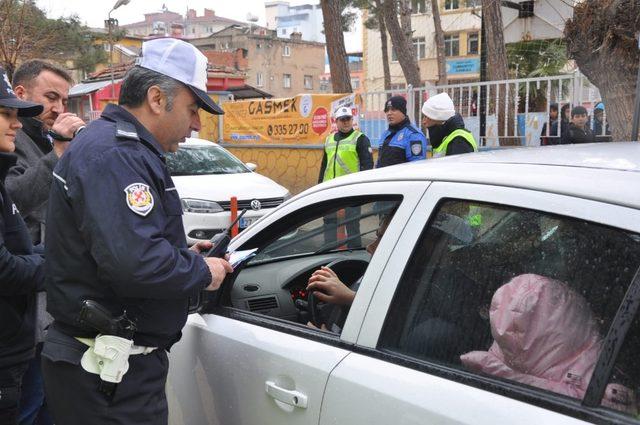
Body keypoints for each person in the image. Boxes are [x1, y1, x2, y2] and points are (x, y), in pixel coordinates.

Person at [40, 38, 233, 425]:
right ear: (157, 98)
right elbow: (136, 264)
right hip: (105, 376)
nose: (196, 124)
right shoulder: (117, 155)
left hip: (111, 370)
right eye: (193, 109)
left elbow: (122, 244)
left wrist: (180, 254)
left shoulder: (120, 150)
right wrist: (203, 272)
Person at [4, 60, 85, 425]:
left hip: (52, 308)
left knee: (52, 405)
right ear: (21, 94)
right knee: (29, 404)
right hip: (24, 311)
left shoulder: (42, 139)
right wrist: (57, 156)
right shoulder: (14, 141)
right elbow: (13, 198)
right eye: (51, 97)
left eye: (64, 101)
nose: (59, 108)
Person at [0, 66, 46, 425]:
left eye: (17, 115)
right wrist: (68, 263)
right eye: (5, 114)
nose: (15, 124)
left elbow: (23, 254)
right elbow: (6, 269)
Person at [318, 106, 373, 248]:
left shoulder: (360, 139)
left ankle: (354, 255)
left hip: (351, 190)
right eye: (342, 119)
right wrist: (319, 187)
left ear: (352, 119)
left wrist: (363, 191)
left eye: (348, 119)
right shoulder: (329, 140)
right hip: (329, 191)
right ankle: (328, 253)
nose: (346, 122)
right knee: (329, 224)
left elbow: (367, 166)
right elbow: (324, 166)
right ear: (336, 121)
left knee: (352, 225)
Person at [376, 95, 427, 168]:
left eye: (393, 109)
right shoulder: (385, 134)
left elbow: (417, 167)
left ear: (403, 112)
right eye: (387, 110)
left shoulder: (413, 135)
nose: (389, 113)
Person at [421, 92, 477, 157]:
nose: (424, 122)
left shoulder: (459, 141)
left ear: (438, 117)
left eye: (426, 117)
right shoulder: (445, 136)